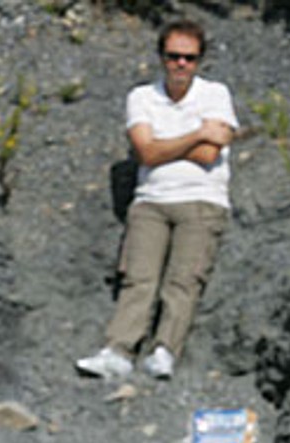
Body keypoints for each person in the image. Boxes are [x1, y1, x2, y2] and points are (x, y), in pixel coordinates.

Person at [75, 20, 238, 384]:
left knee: (184, 280)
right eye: (174, 56)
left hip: (201, 200)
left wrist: (164, 145)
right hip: (150, 201)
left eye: (189, 58)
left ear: (200, 60)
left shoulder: (215, 94)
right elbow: (146, 153)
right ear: (161, 57)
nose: (181, 64)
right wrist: (197, 133)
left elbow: (210, 153)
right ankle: (118, 351)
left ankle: (165, 350)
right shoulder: (142, 97)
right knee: (138, 279)